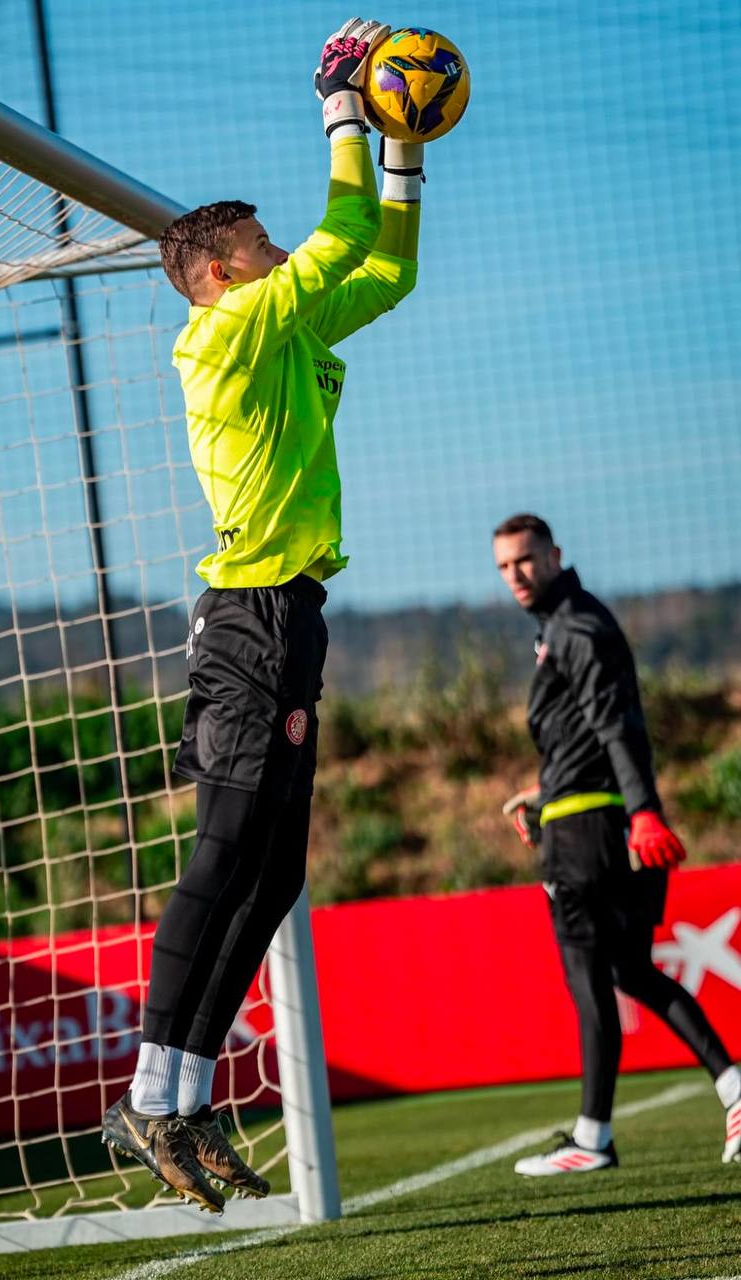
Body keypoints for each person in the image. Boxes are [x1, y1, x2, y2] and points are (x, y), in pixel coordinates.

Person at [101, 17, 424, 1211]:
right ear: (224, 271)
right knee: (226, 848)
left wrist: (404, 156)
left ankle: (178, 1101)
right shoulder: (227, 330)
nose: (280, 247)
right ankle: (149, 1091)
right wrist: (343, 105)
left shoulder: (280, 322)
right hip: (243, 618)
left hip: (293, 616)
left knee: (277, 868)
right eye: (259, 241)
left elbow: (382, 267)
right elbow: (339, 239)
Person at [494, 513, 741, 1176]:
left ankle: (591, 1138)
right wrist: (543, 797)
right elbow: (585, 738)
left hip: (590, 838)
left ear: (554, 556)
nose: (515, 575)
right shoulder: (562, 627)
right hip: (587, 819)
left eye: (525, 560)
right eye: (504, 566)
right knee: (630, 969)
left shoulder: (575, 627)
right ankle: (732, 1085)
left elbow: (617, 724)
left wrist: (643, 812)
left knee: (589, 978)